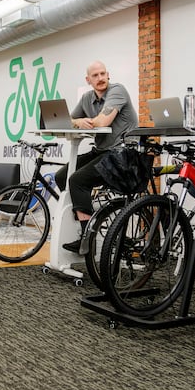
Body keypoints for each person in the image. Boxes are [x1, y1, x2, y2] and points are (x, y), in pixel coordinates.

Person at [58, 61, 139, 253]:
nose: (100, 78)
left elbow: (103, 121)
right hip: (102, 151)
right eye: (95, 75)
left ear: (108, 75)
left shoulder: (117, 91)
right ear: (88, 80)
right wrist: (78, 121)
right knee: (62, 176)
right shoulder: (87, 98)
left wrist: (79, 122)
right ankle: (88, 218)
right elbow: (65, 121)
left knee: (77, 180)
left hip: (122, 153)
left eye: (103, 74)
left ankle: (87, 239)